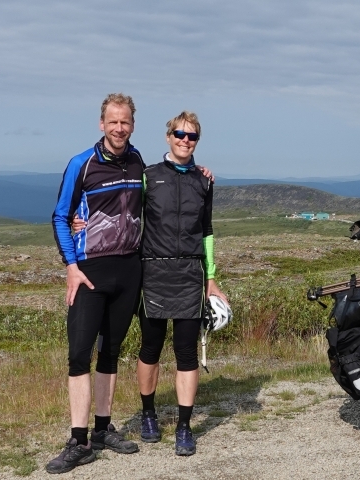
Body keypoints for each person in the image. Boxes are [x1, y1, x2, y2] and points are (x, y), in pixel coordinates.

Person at [46, 93, 145, 474]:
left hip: (128, 270)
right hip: (89, 272)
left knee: (111, 351)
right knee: (78, 355)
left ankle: (103, 430)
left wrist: (202, 173)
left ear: (132, 125)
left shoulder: (138, 162)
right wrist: (71, 266)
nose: (119, 128)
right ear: (101, 124)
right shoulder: (81, 164)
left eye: (125, 122)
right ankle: (78, 439)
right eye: (113, 121)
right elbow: (59, 216)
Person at [135, 111, 226, 456]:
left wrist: (212, 278)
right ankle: (148, 415)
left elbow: (207, 231)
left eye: (192, 136)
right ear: (168, 136)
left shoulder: (204, 181)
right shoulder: (148, 176)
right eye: (179, 134)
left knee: (186, 353)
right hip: (153, 273)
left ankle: (185, 427)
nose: (185, 140)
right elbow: (128, 218)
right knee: (150, 349)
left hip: (190, 274)